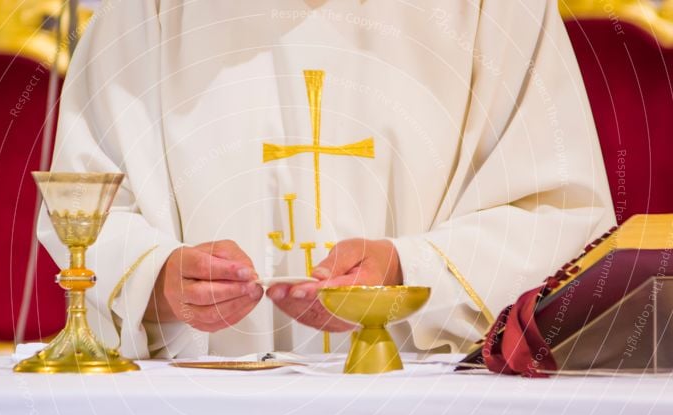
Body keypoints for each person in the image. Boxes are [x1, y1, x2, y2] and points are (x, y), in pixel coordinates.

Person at [39, 0, 614, 359]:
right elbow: (85, 204)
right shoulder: (144, 9)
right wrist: (158, 281)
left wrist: (410, 273)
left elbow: (563, 216)